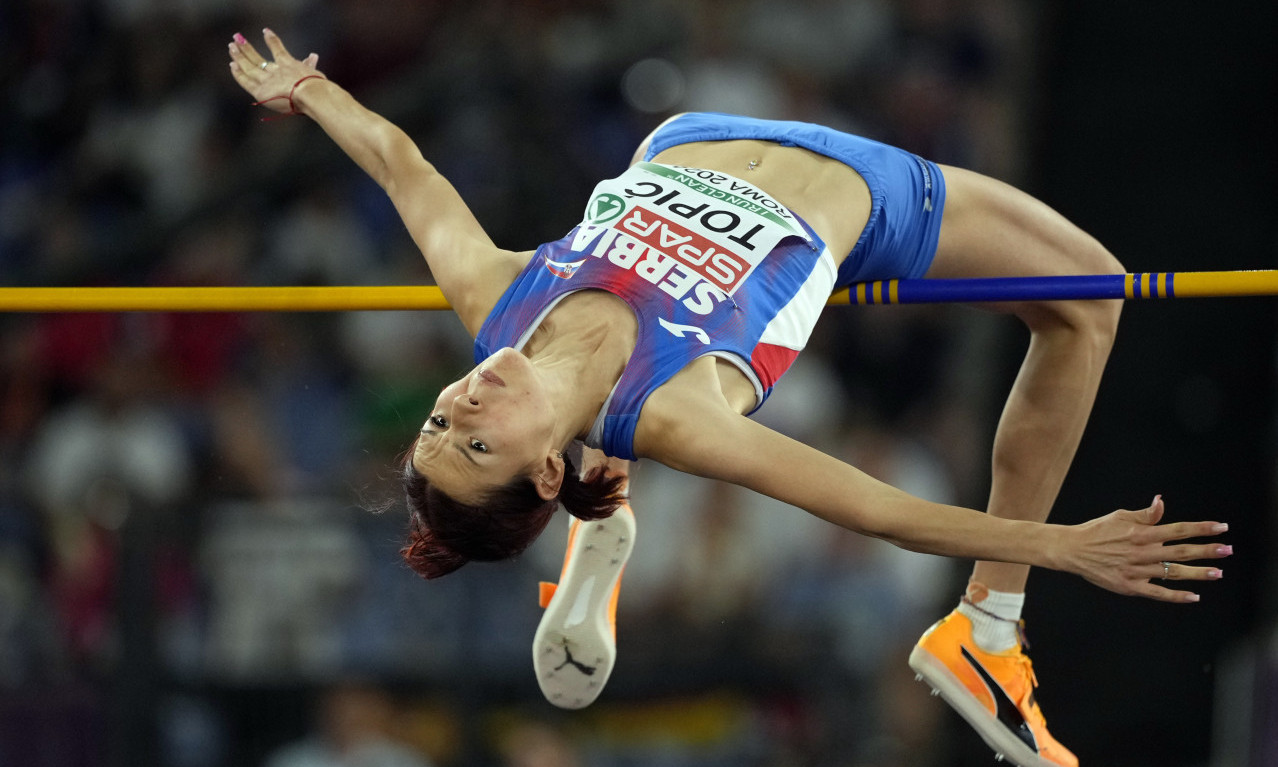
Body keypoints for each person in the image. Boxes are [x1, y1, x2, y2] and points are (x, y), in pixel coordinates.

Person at [228, 30, 1232, 767]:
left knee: (589, 397)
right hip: (866, 195)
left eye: (440, 421)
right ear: (537, 465)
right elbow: (869, 503)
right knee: (1092, 297)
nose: (462, 408)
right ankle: (988, 629)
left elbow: (402, 164)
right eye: (476, 445)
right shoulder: (679, 412)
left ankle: (602, 517)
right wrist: (1055, 547)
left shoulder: (494, 297)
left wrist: (309, 89)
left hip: (689, 137)